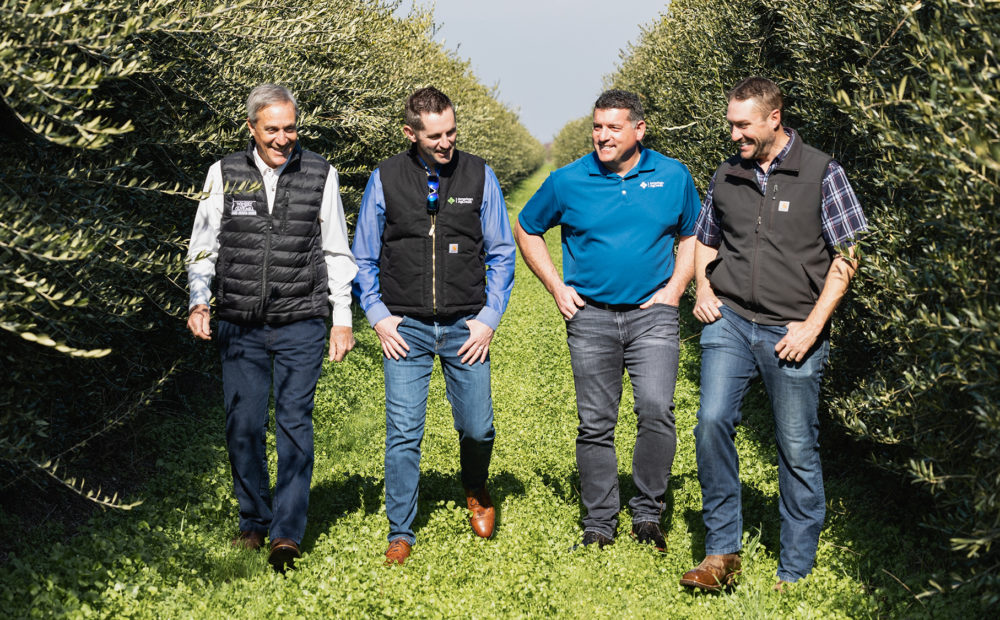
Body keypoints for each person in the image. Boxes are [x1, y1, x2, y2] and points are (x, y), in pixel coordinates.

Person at [680, 77, 867, 591]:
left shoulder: (822, 173)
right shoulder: (726, 174)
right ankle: (721, 553)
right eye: (730, 124)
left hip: (794, 329)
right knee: (712, 421)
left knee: (796, 445)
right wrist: (701, 288)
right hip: (732, 321)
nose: (734, 134)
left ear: (774, 117)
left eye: (743, 125)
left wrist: (813, 325)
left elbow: (849, 255)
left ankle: (795, 569)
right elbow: (705, 239)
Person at [515, 89, 699, 550]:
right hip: (591, 318)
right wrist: (557, 287)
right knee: (595, 422)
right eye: (597, 126)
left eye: (613, 127)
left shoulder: (673, 176)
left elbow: (694, 233)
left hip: (651, 316)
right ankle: (599, 521)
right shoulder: (568, 180)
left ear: (639, 130)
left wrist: (675, 289)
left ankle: (647, 513)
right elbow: (527, 226)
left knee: (657, 410)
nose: (603, 136)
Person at [186, 84, 357, 573]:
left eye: (290, 128)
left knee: (294, 426)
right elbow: (203, 246)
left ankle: (286, 532)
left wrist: (341, 319)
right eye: (272, 129)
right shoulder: (224, 174)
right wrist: (200, 301)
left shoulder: (320, 174)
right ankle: (253, 520)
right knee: (242, 425)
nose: (283, 138)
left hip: (301, 320)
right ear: (251, 129)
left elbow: (335, 250)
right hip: (239, 323)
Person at [352, 87, 516, 565]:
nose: (446, 143)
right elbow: (363, 256)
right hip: (407, 329)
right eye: (435, 136)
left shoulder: (479, 174)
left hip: (467, 326)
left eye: (451, 132)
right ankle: (401, 530)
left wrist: (488, 319)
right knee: (403, 431)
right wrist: (378, 316)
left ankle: (476, 487)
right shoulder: (384, 178)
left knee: (479, 429)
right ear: (410, 133)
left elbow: (502, 253)